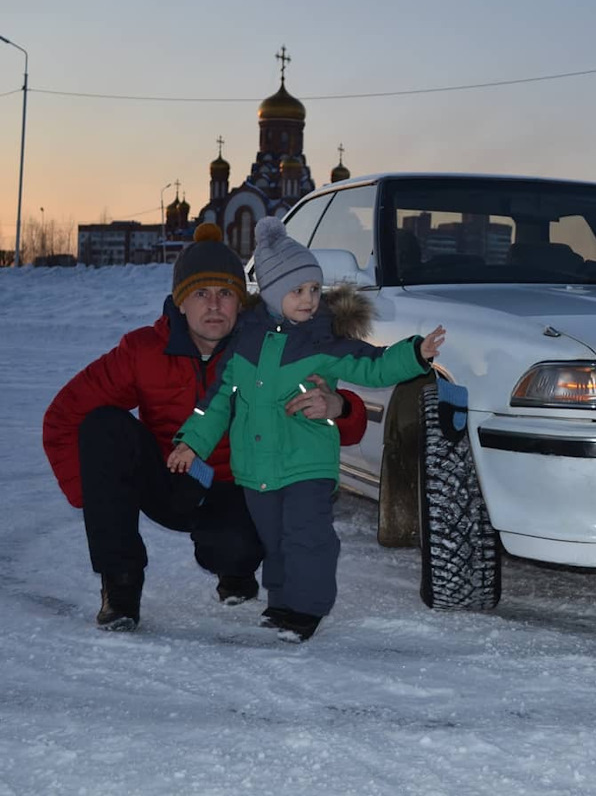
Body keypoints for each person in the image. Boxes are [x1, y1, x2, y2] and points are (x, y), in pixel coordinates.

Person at [42, 223, 367, 632]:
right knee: (103, 425)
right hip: (171, 479)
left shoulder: (273, 347)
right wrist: (94, 497)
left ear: (243, 302)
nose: (214, 306)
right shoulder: (142, 351)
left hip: (240, 490)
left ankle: (237, 571)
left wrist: (337, 407)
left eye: (226, 293)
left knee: (234, 545)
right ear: (180, 302)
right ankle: (121, 587)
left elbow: (351, 425)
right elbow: (64, 415)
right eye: (201, 294)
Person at [168, 217, 445, 642]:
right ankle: (281, 602)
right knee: (274, 540)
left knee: (307, 537)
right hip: (258, 468)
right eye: (298, 291)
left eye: (315, 290)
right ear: (274, 294)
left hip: (307, 464)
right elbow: (218, 403)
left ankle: (308, 607)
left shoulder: (323, 341)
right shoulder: (244, 342)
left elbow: (372, 364)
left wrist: (415, 354)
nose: (310, 300)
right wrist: (191, 443)